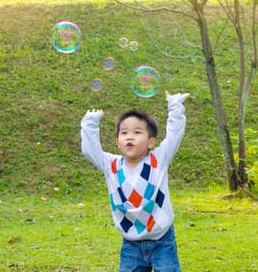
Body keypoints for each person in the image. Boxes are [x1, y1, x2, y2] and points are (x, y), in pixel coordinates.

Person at [80, 91, 189, 272]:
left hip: (162, 240)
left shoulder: (158, 160)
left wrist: (175, 105)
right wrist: (90, 123)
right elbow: (90, 150)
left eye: (137, 132)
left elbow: (175, 135)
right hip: (131, 243)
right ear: (117, 141)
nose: (129, 137)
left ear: (151, 142)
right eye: (124, 133)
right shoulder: (111, 165)